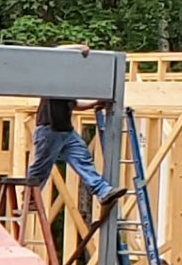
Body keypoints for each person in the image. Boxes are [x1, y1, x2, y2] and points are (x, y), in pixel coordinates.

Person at [26, 45, 128, 210]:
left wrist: (94, 103)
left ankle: (103, 191)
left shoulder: (70, 86)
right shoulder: (52, 80)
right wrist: (79, 47)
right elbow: (52, 53)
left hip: (66, 132)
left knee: (83, 160)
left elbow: (74, 105)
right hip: (49, 130)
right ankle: (30, 199)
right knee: (41, 167)